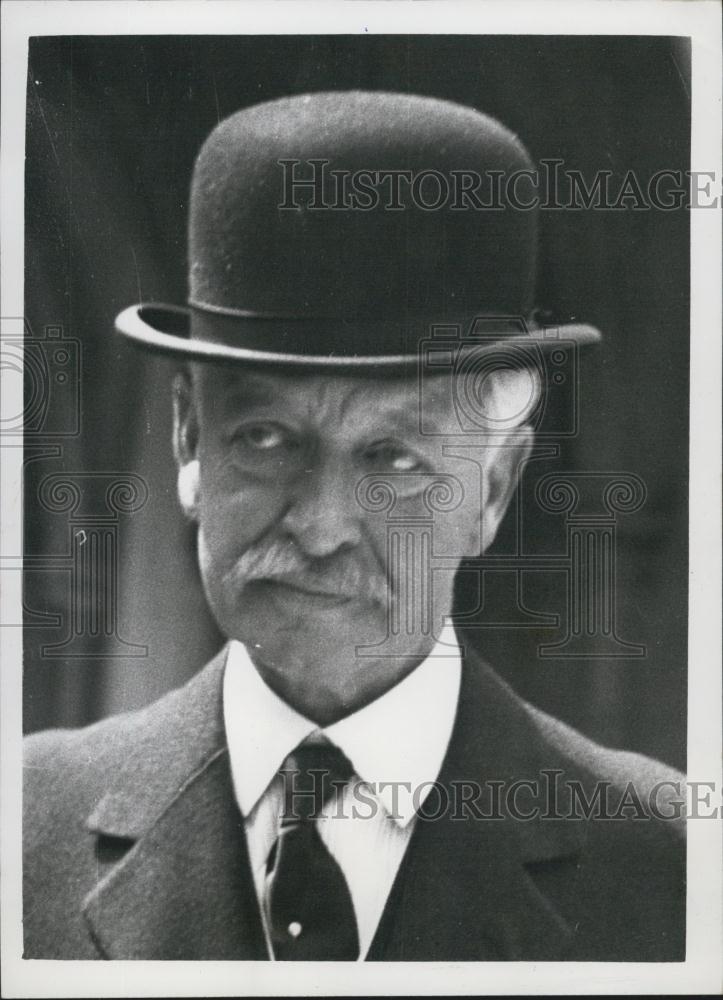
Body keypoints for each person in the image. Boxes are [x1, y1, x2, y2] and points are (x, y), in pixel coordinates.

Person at [23, 91, 685, 961]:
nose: (322, 525)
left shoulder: (670, 868)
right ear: (189, 438)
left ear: (491, 487)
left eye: (395, 459)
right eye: (264, 438)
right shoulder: (25, 832)